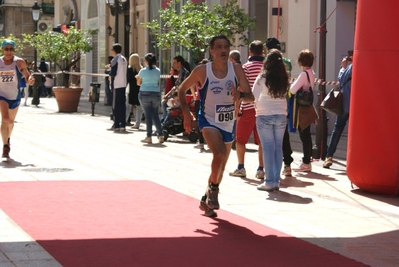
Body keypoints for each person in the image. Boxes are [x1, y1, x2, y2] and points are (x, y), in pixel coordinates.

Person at [177, 35, 254, 217]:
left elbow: (251, 96)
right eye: (219, 47)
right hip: (208, 119)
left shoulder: (236, 69)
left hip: (228, 122)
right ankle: (214, 189)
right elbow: (182, 89)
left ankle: (206, 198)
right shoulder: (202, 71)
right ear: (211, 51)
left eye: (226, 47)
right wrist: (187, 115)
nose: (223, 50)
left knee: (221, 163)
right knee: (219, 154)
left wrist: (241, 96)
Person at [253, 49, 289, 191]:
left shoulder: (262, 77)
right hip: (281, 114)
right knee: (278, 147)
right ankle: (276, 180)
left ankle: (269, 181)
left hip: (263, 114)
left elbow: (254, 95)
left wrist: (256, 106)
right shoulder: (284, 78)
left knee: (268, 148)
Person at [229, 40, 265, 179]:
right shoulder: (266, 67)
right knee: (261, 140)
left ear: (250, 52)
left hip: (248, 107)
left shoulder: (246, 67)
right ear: (262, 52)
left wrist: (237, 108)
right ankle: (261, 169)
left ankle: (241, 167)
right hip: (263, 108)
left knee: (240, 140)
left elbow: (240, 89)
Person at [265, 37, 294, 176]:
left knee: (269, 138)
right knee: (284, 135)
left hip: (267, 104)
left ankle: (268, 170)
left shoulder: (267, 63)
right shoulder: (287, 62)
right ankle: (287, 164)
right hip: (283, 102)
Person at [0, 39, 35, 158]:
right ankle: (5, 146)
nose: (8, 52)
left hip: (14, 95)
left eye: (11, 49)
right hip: (1, 95)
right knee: (4, 119)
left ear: (14, 50)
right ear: (2, 50)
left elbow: (27, 76)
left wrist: (30, 80)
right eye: (6, 49)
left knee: (10, 121)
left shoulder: (19, 62)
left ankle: (8, 139)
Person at [323, 50, 353, 168]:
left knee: (337, 130)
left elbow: (341, 79)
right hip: (356, 106)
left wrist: (343, 67)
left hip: (346, 104)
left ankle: (329, 156)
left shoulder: (350, 67)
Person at [289, 49, 317, 172]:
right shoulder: (312, 73)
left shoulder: (303, 74)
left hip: (301, 108)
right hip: (308, 107)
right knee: (307, 135)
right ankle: (307, 160)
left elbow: (293, 90)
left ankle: (306, 163)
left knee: (304, 135)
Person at [136, 53, 163, 144]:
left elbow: (138, 83)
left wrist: (139, 79)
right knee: (155, 115)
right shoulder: (158, 71)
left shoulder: (142, 71)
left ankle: (149, 136)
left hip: (145, 93)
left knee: (148, 115)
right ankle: (160, 134)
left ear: (146, 61)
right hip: (156, 93)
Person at [161, 55, 190, 122]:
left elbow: (181, 87)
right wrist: (167, 95)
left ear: (179, 63)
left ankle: (165, 122)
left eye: (174, 62)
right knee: (164, 102)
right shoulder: (181, 72)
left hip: (182, 97)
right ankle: (164, 121)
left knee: (168, 105)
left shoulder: (183, 72)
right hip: (178, 96)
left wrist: (174, 98)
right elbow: (175, 86)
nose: (173, 64)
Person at [108, 43, 128, 132]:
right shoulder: (124, 59)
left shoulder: (115, 59)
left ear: (114, 50)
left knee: (116, 106)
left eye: (112, 50)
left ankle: (116, 125)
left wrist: (108, 71)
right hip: (123, 84)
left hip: (117, 85)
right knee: (122, 106)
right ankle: (123, 125)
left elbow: (113, 73)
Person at [127, 53, 143, 129]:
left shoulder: (130, 69)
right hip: (140, 88)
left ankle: (128, 119)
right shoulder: (141, 69)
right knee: (139, 106)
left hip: (132, 89)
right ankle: (138, 122)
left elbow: (128, 79)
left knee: (132, 104)